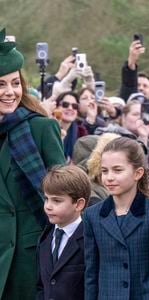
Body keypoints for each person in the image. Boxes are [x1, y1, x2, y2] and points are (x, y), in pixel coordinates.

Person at [0, 28, 65, 299]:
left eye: (15, 83)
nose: (10, 92)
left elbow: (65, 193)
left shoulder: (41, 128)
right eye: (1, 84)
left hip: (30, 257)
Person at [83, 137, 149, 300]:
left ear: (138, 173)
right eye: (105, 171)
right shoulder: (92, 215)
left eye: (117, 170)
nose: (109, 177)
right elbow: (91, 272)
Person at [37, 165, 91, 300]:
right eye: (46, 198)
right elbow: (41, 285)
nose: (48, 206)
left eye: (56, 200)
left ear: (79, 204)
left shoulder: (90, 239)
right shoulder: (45, 238)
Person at [55, 91, 88, 161]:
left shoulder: (81, 132)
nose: (70, 108)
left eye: (74, 106)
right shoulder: (48, 129)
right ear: (56, 107)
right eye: (65, 104)